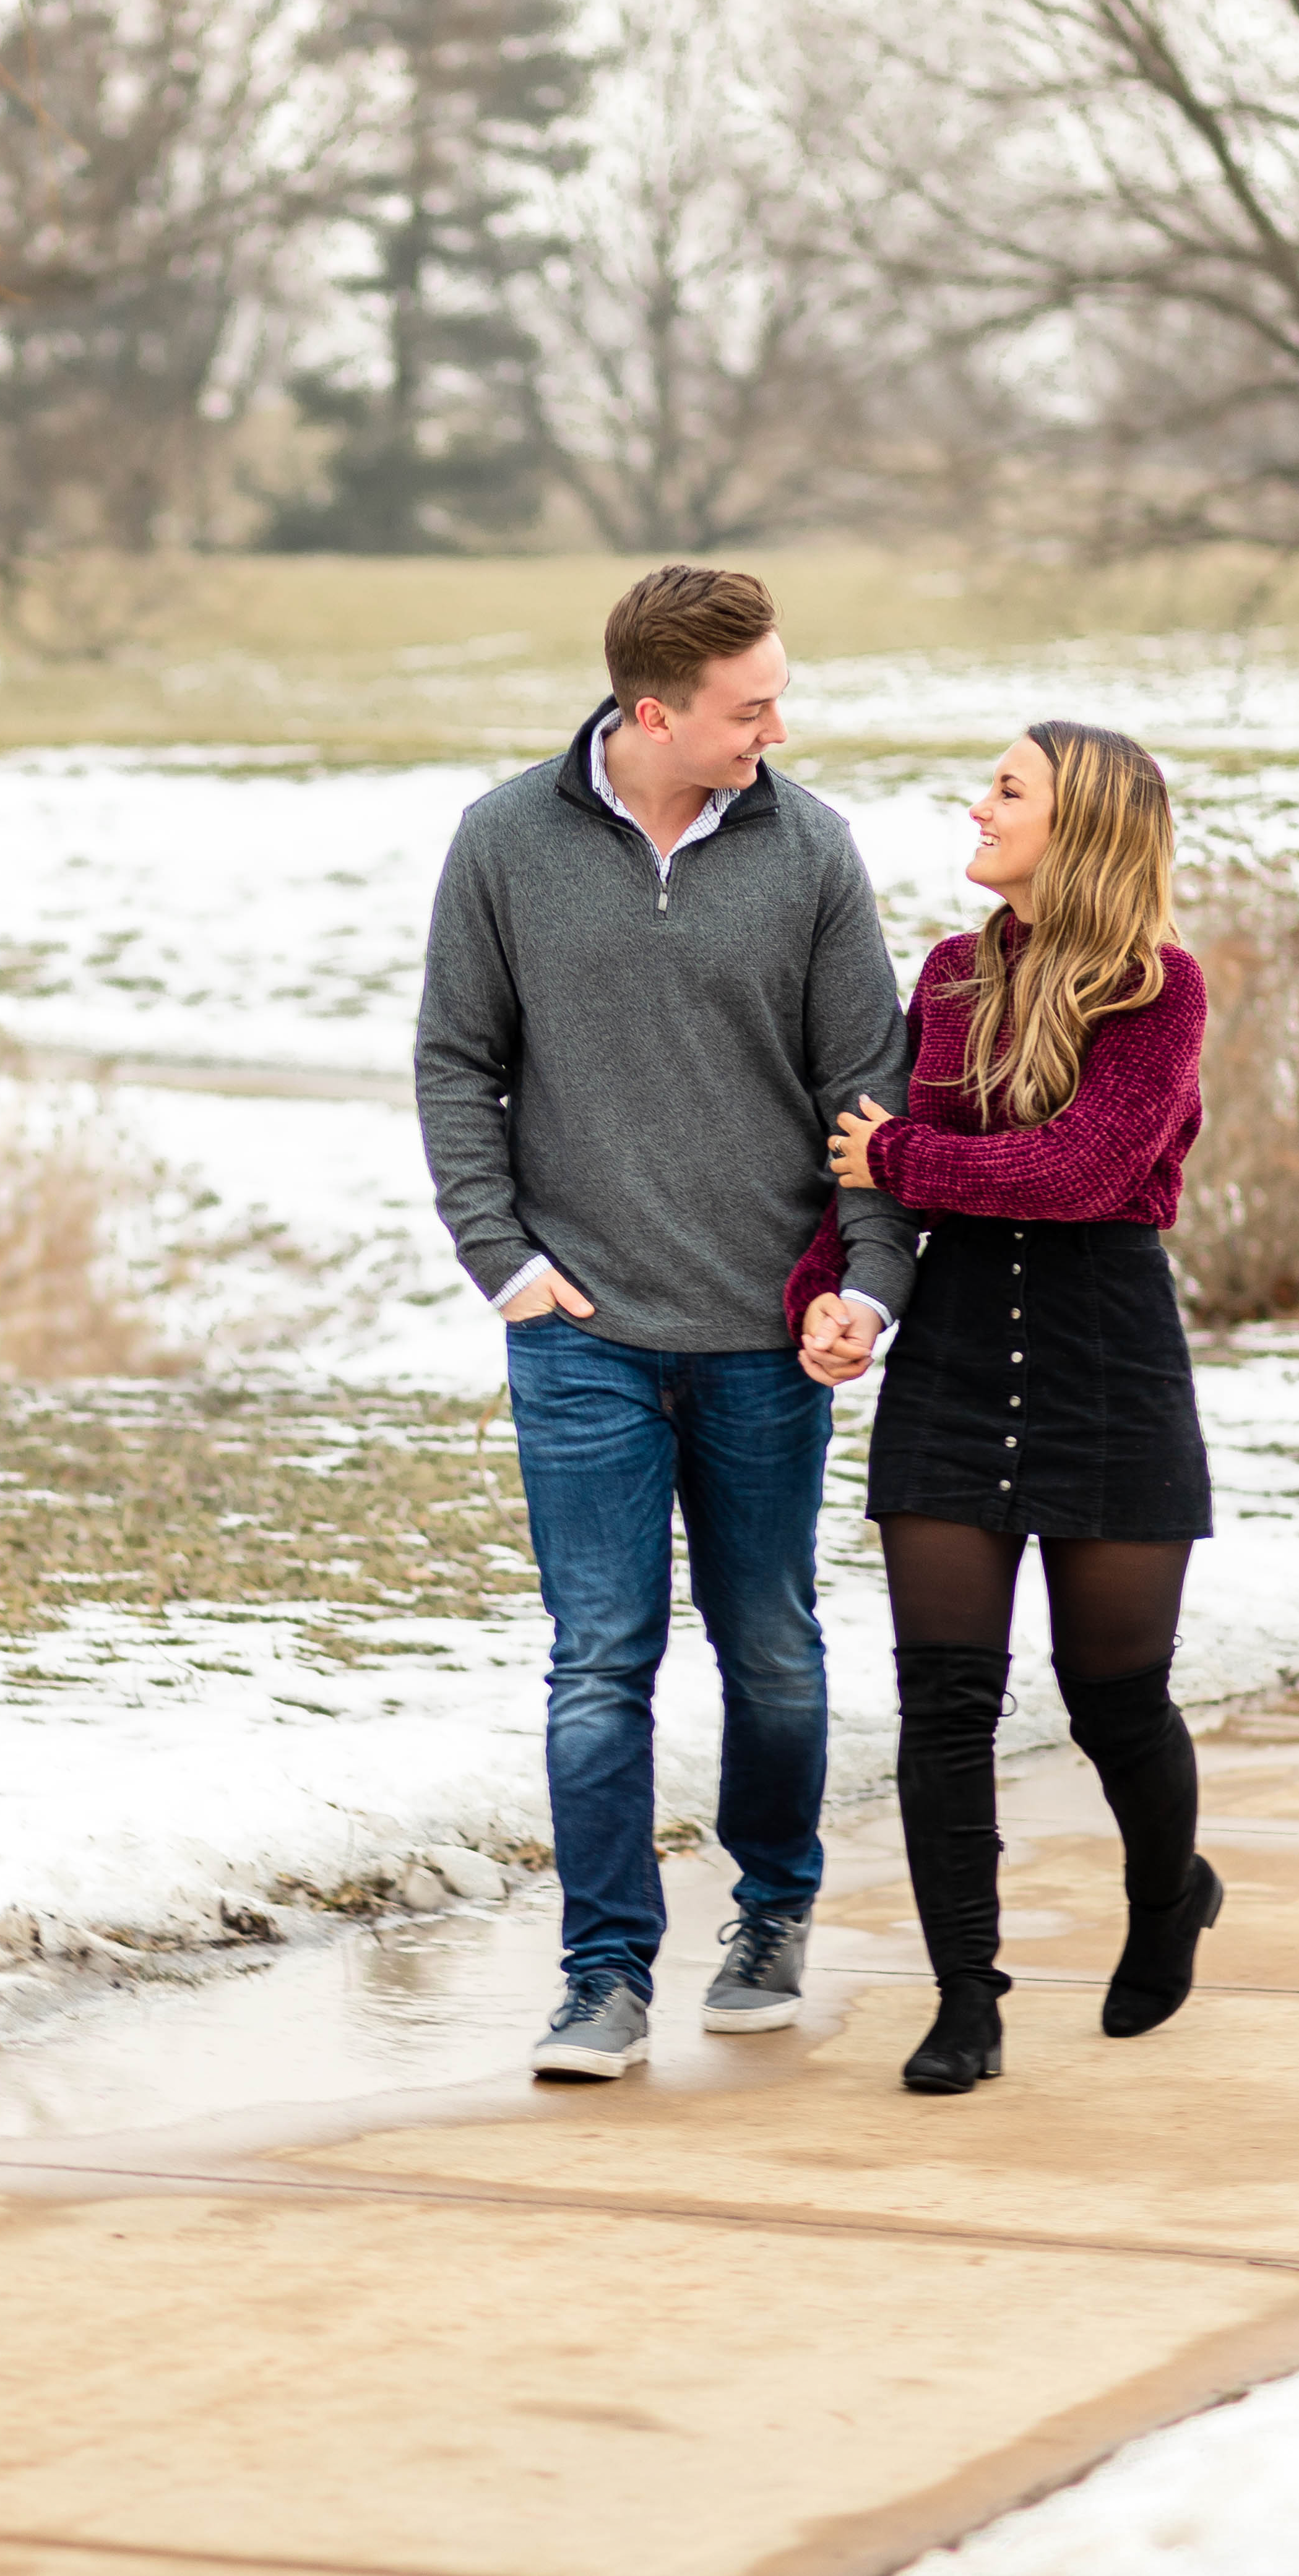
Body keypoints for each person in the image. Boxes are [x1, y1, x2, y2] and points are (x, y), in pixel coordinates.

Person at [416, 564, 917, 2082]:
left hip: (768, 1334)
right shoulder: (503, 840)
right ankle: (602, 1973)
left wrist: (867, 1285)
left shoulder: (808, 848)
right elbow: (454, 1062)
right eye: (746, 704)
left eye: (775, 695)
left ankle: (769, 1915)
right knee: (596, 1657)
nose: (775, 724)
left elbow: (870, 1098)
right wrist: (501, 1259)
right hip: (580, 1334)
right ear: (651, 711)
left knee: (767, 1643)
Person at [814, 719, 1217, 2097]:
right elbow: (859, 1168)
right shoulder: (941, 975)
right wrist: (833, 1288)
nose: (974, 805)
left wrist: (904, 1153)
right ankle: (962, 2002)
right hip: (953, 1361)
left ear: (1081, 824)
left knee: (1113, 1700)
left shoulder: (1157, 989)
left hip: (1106, 1359)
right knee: (942, 1703)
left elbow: (1077, 1172)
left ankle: (1169, 1893)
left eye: (1006, 788)